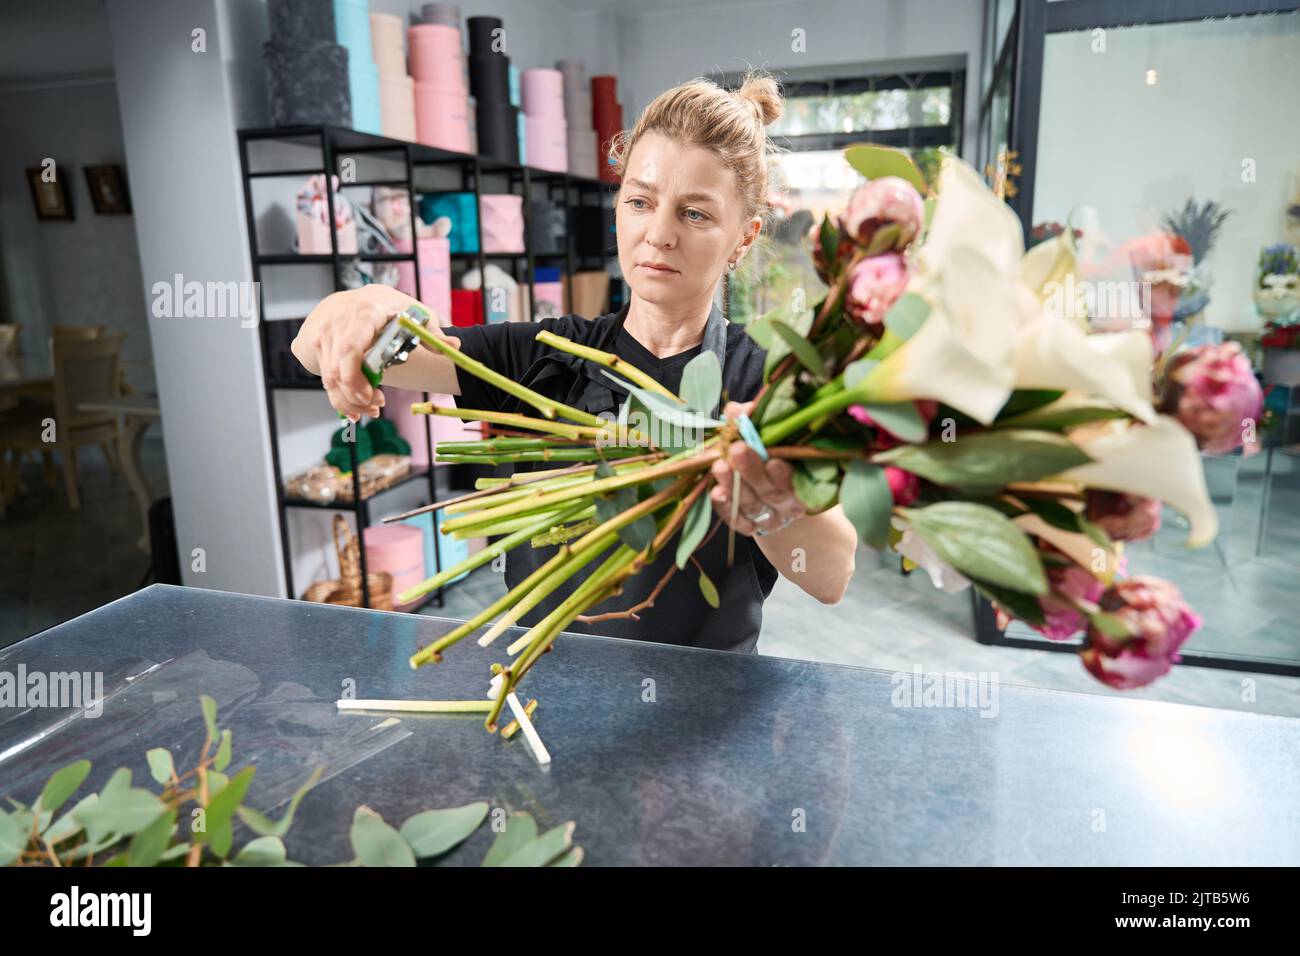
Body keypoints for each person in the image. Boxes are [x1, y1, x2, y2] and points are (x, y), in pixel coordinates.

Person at [291, 70, 857, 654]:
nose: (658, 233)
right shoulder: (543, 357)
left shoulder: (770, 383)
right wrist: (364, 306)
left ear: (744, 237)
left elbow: (832, 576)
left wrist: (772, 503)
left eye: (695, 214)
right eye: (640, 201)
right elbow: (315, 350)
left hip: (709, 707)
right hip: (546, 700)